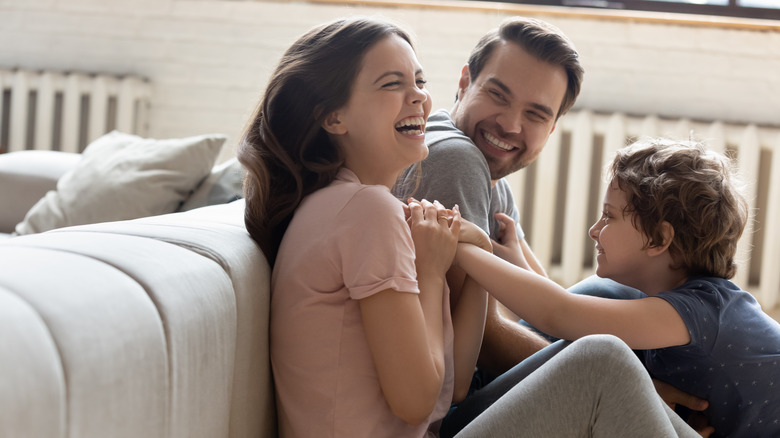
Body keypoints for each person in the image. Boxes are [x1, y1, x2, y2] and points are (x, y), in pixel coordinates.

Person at [238, 15, 698, 438]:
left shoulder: (371, 206)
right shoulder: (367, 209)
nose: (417, 95)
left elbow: (451, 387)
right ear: (333, 116)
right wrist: (435, 273)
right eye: (391, 84)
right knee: (604, 361)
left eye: (418, 80)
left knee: (603, 354)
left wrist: (475, 256)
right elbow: (417, 402)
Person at [394, 16, 709, 434]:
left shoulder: (489, 177)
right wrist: (641, 389)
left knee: (610, 296)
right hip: (446, 414)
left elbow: (542, 301)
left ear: (553, 127)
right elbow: (485, 341)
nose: (510, 125)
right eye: (497, 94)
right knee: (606, 361)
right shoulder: (457, 157)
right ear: (465, 80)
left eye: (536, 114)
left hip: (466, 396)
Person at [454, 137, 780, 438]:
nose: (594, 230)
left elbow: (559, 313)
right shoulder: (681, 301)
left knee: (600, 348)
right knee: (601, 298)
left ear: (659, 239)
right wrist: (516, 264)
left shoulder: (701, 311)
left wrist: (464, 248)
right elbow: (575, 317)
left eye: (608, 217)